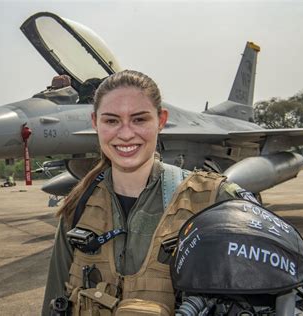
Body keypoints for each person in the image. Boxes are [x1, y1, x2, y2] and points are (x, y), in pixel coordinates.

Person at [42, 70, 244, 315]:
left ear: (161, 120)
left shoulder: (212, 200)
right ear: (95, 122)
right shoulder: (78, 208)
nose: (126, 133)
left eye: (139, 119)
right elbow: (54, 303)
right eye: (111, 120)